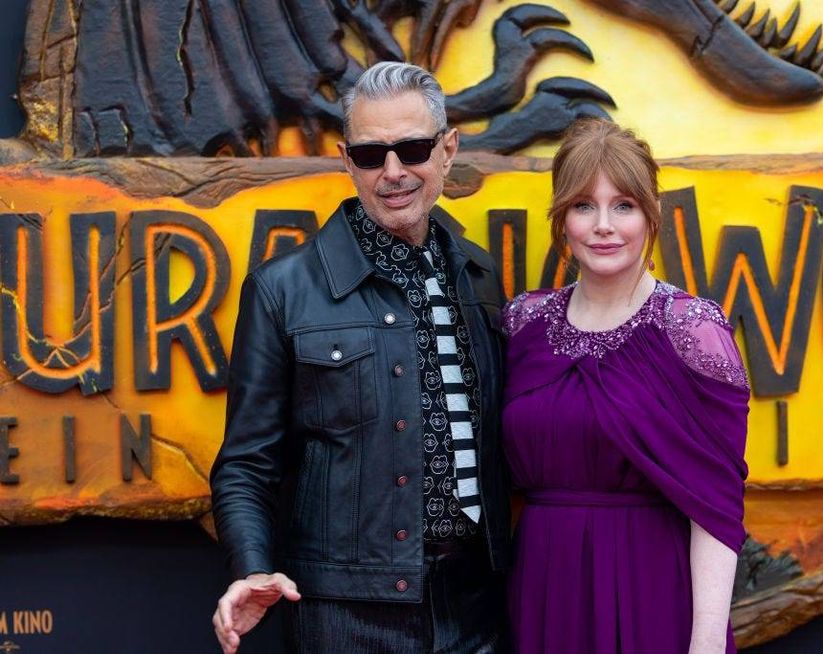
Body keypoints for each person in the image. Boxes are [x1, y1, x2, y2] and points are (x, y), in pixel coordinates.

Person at [210, 61, 512, 654]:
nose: (394, 172)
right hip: (347, 615)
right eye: (373, 155)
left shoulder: (478, 276)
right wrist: (250, 568)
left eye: (414, 148)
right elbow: (245, 464)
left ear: (448, 150)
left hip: (477, 605)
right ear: (348, 161)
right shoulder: (283, 290)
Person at [502, 119, 750, 653]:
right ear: (562, 218)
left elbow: (717, 505)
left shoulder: (692, 329)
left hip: (652, 591)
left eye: (623, 206)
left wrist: (706, 641)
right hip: (543, 589)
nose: (603, 226)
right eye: (584, 205)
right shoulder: (523, 323)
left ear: (650, 215)